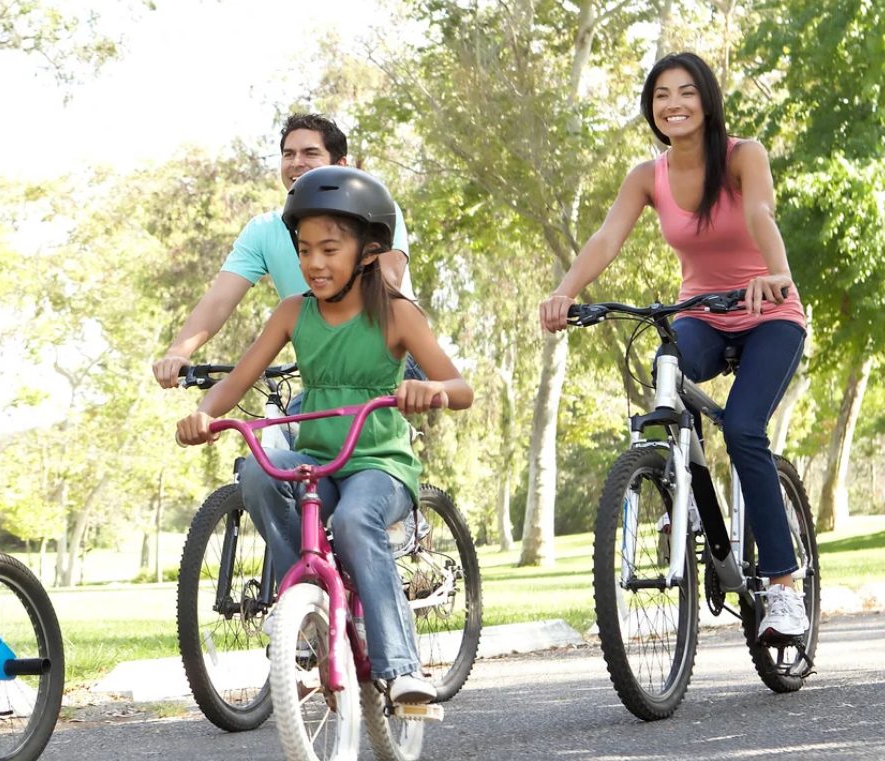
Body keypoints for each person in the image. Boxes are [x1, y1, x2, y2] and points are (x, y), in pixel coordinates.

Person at [537, 52, 809, 642]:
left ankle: (785, 587)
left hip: (769, 313)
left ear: (707, 101)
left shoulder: (744, 155)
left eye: (686, 92)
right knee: (665, 364)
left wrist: (778, 272)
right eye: (662, 94)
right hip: (702, 314)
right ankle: (679, 491)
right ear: (651, 107)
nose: (674, 104)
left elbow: (761, 211)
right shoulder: (646, 175)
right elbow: (608, 237)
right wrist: (564, 293)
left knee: (742, 428)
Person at [175, 166, 473, 703]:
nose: (314, 263)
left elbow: (461, 387)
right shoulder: (293, 313)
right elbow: (238, 380)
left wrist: (431, 392)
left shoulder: (398, 316)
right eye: (304, 250)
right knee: (258, 477)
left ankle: (402, 669)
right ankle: (308, 605)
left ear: (367, 250)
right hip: (318, 457)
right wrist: (204, 413)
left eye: (330, 249)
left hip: (379, 464)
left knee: (358, 522)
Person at [152, 113, 417, 390]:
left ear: (341, 165)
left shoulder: (373, 208)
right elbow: (219, 300)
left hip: (395, 358)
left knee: (314, 428)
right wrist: (178, 352)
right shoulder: (264, 230)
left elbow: (388, 278)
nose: (296, 162)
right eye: (288, 154)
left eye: (310, 153)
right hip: (324, 371)